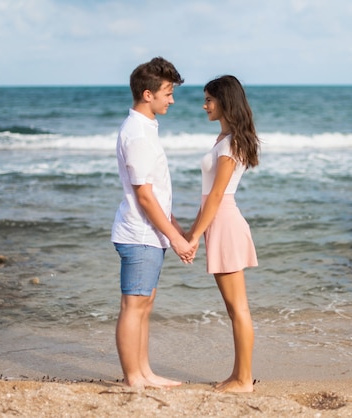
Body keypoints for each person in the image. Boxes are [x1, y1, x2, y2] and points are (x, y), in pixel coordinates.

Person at [111, 57, 195, 388]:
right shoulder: (138, 134)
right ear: (148, 94)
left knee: (144, 305)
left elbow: (156, 194)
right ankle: (134, 377)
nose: (171, 99)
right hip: (140, 234)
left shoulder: (145, 129)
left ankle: (145, 372)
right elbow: (145, 197)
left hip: (150, 234)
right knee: (133, 307)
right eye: (167, 92)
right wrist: (175, 238)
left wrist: (176, 229)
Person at [186, 75, 260, 393]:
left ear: (224, 102)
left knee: (238, 307)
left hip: (224, 223)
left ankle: (244, 380)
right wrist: (195, 231)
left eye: (209, 100)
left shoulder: (230, 144)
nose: (205, 106)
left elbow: (216, 196)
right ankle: (238, 375)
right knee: (233, 308)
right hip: (218, 223)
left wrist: (191, 236)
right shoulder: (224, 139)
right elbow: (210, 197)